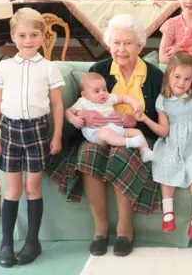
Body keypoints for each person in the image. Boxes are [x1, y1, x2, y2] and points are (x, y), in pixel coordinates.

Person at [46, 14, 163, 257]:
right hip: (96, 135)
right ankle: (100, 227)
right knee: (88, 153)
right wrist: (85, 117)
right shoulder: (98, 70)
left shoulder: (153, 75)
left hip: (135, 135)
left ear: (139, 45)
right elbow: (82, 105)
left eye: (128, 43)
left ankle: (124, 228)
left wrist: (135, 120)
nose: (121, 49)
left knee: (122, 152)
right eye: (116, 43)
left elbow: (158, 117)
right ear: (109, 44)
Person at [0, 8, 65, 268]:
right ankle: (6, 243)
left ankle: (32, 242)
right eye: (22, 35)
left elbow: (57, 105)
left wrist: (56, 136)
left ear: (43, 36)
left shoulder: (49, 68)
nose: (28, 40)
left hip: (37, 133)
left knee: (33, 188)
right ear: (13, 36)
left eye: (34, 35)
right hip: (9, 132)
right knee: (13, 189)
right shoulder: (4, 66)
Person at [135, 51, 192, 240]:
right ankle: (168, 212)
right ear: (169, 75)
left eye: (187, 79)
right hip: (173, 140)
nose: (181, 83)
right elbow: (164, 131)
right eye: (177, 77)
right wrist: (146, 119)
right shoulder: (162, 100)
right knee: (166, 161)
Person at [65, 72, 154, 162]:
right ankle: (128, 142)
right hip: (96, 133)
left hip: (115, 128)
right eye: (97, 91)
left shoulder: (109, 98)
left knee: (136, 132)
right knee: (106, 133)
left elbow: (124, 98)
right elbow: (68, 111)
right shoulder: (83, 102)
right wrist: (74, 119)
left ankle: (145, 151)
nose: (102, 93)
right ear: (85, 95)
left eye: (104, 89)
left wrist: (134, 103)